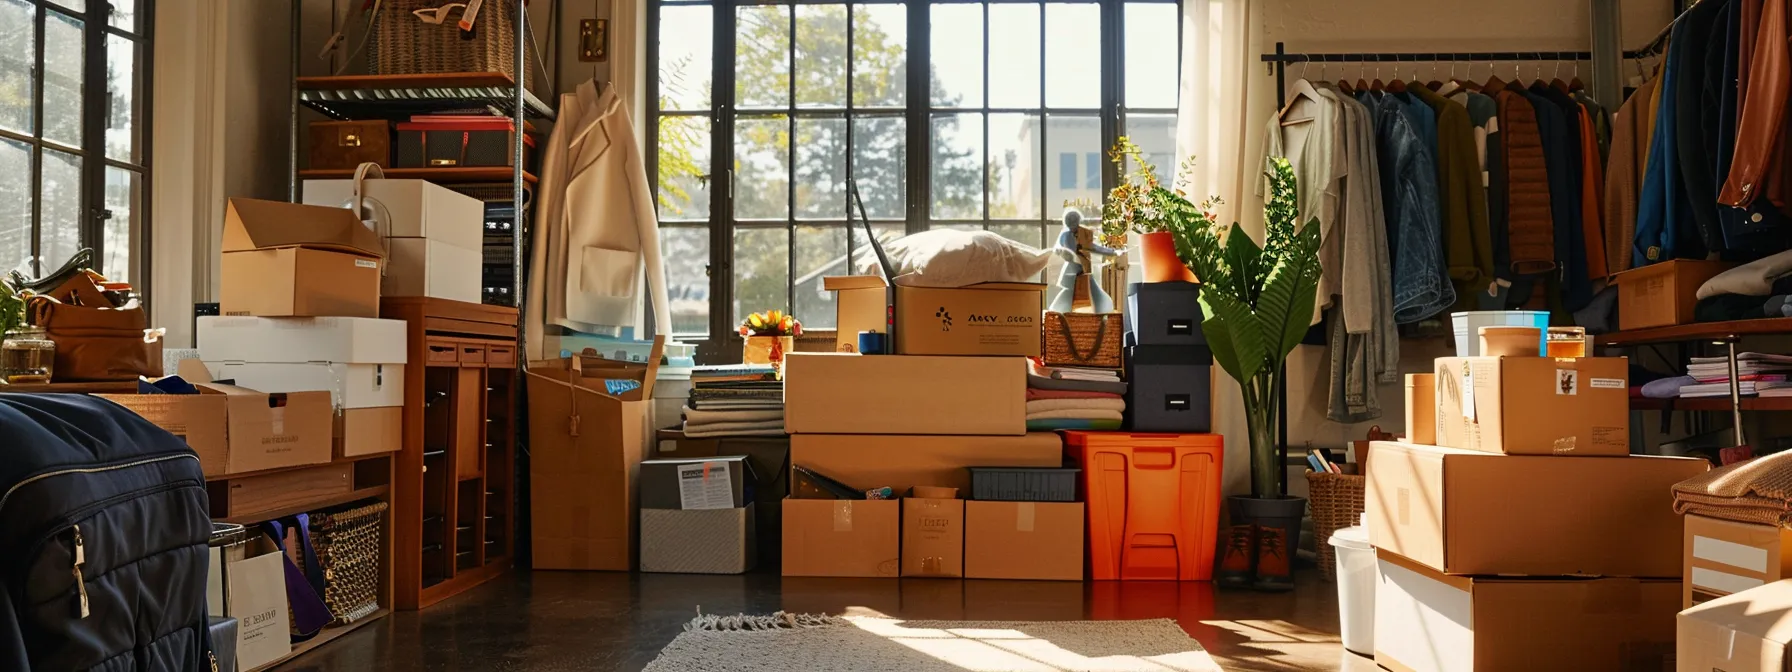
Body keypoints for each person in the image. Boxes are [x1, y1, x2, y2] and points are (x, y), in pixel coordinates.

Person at [1048, 208, 1120, 313]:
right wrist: (1061, 252)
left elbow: (1093, 247)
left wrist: (1112, 251)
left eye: (1074, 221)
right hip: (1073, 268)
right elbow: (1060, 249)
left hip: (1081, 267)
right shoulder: (1065, 235)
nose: (1073, 224)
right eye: (1071, 222)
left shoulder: (1081, 234)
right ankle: (1057, 310)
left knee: (1088, 288)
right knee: (1071, 291)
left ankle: (1102, 308)